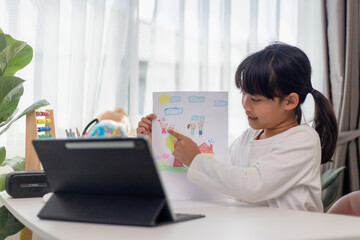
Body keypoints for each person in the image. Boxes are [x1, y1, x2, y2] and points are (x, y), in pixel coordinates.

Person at [136, 42, 338, 212]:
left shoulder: (302, 139)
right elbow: (216, 179)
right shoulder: (248, 137)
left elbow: (252, 185)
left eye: (256, 99)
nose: (245, 104)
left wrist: (195, 158)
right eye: (243, 94)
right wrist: (160, 144)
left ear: (290, 102)